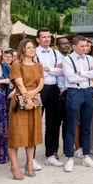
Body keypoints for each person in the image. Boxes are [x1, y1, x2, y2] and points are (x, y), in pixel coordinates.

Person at [62, 35, 93, 173]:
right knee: (71, 126)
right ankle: (70, 158)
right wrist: (88, 75)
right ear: (74, 46)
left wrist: (83, 73)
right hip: (74, 93)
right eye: (82, 46)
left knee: (86, 126)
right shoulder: (67, 59)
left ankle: (86, 156)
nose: (85, 49)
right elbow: (71, 78)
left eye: (86, 46)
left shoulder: (90, 58)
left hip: (88, 92)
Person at [8, 39, 44, 180]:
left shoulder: (38, 65)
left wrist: (33, 94)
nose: (31, 49)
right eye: (28, 47)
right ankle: (14, 167)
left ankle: (29, 164)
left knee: (32, 135)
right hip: (20, 100)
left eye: (33, 47)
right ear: (22, 49)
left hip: (35, 100)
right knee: (16, 135)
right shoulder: (17, 64)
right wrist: (27, 98)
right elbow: (19, 83)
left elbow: (41, 83)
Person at [35, 28, 65, 168]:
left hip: (53, 89)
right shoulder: (33, 52)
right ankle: (32, 156)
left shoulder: (56, 53)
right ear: (38, 39)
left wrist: (48, 69)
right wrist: (53, 69)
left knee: (53, 123)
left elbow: (62, 70)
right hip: (38, 89)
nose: (46, 39)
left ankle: (50, 154)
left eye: (48, 37)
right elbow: (34, 70)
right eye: (43, 37)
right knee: (35, 122)